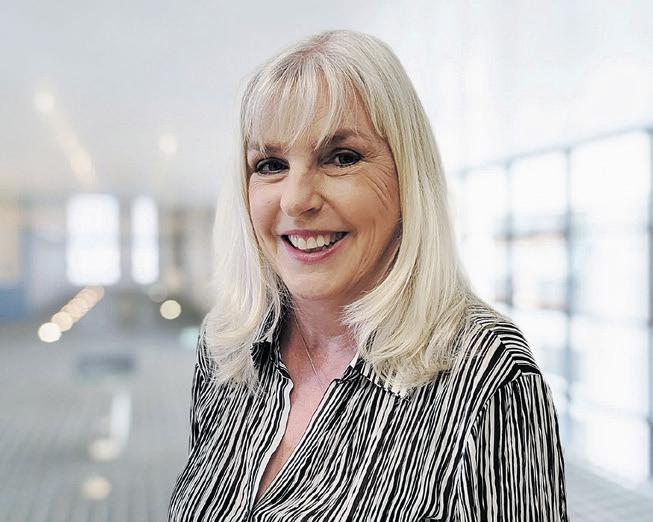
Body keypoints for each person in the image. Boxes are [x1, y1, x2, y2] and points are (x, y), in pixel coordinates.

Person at [168, 29, 568, 521]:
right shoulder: (228, 349)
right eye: (270, 165)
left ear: (407, 178)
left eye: (342, 158)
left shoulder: (487, 374)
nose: (296, 199)